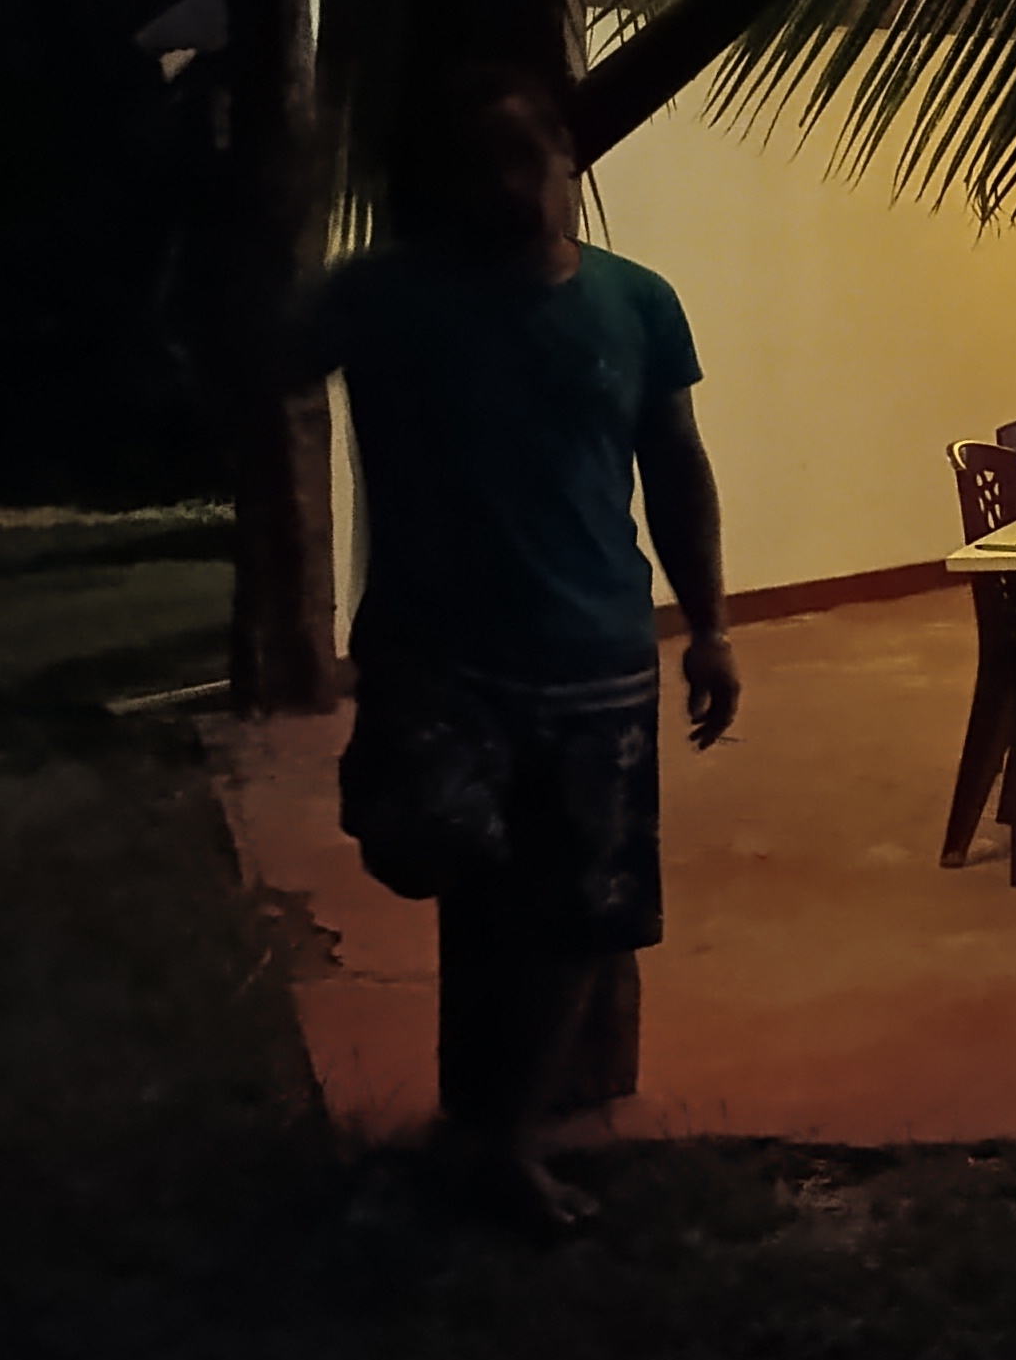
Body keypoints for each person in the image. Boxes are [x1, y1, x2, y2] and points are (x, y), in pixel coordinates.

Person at [297, 64, 737, 1229]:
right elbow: (250, 366)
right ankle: (480, 1125)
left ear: (567, 162)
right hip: (439, 654)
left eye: (523, 157)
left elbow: (675, 469)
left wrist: (710, 627)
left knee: (581, 911)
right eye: (476, 163)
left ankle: (502, 1143)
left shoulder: (638, 304)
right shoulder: (386, 299)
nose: (506, 185)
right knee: (433, 845)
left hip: (598, 653)